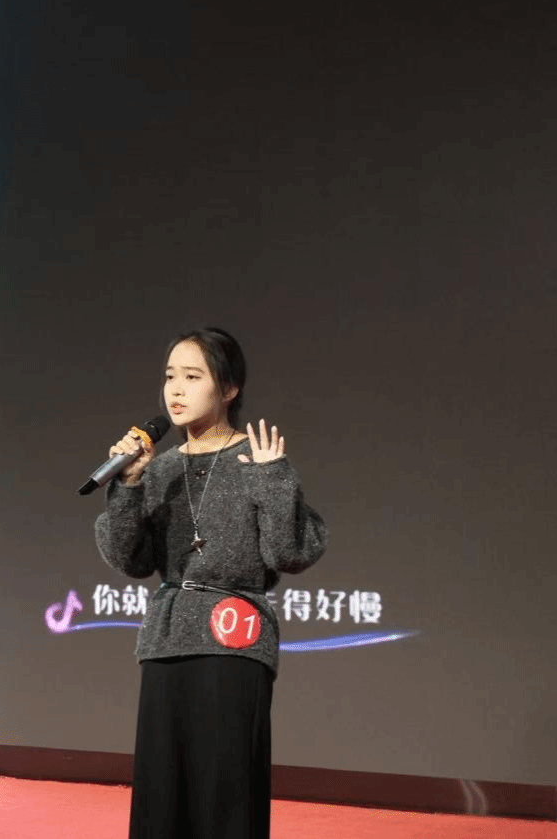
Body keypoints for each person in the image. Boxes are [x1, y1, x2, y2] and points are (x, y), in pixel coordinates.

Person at [95, 326, 327, 839]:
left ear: (229, 388)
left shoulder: (257, 462)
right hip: (166, 642)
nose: (175, 390)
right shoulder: (159, 469)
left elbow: (291, 553)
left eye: (193, 377)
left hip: (233, 639)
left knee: (224, 794)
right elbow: (129, 559)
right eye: (170, 377)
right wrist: (128, 483)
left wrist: (274, 479)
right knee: (162, 796)